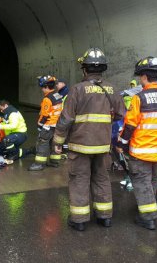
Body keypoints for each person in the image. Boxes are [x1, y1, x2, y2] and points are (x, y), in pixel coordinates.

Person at [52, 48, 125, 231]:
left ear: (84, 69)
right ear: (102, 69)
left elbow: (66, 119)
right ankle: (105, 217)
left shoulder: (77, 90)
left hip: (80, 146)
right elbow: (121, 114)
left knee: (79, 180)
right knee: (102, 179)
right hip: (102, 146)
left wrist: (58, 142)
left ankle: (79, 220)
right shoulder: (113, 89)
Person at [116, 56, 157, 230]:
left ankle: (148, 217)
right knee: (152, 180)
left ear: (144, 76)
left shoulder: (139, 98)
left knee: (142, 182)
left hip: (140, 151)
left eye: (139, 77)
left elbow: (129, 126)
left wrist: (121, 144)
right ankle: (148, 209)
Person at [28, 75, 63, 171]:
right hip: (58, 124)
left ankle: (39, 164)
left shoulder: (47, 99)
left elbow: (45, 115)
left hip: (49, 125)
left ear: (47, 87)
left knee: (42, 143)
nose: (42, 90)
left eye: (42, 88)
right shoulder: (57, 95)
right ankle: (54, 162)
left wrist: (39, 126)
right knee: (54, 143)